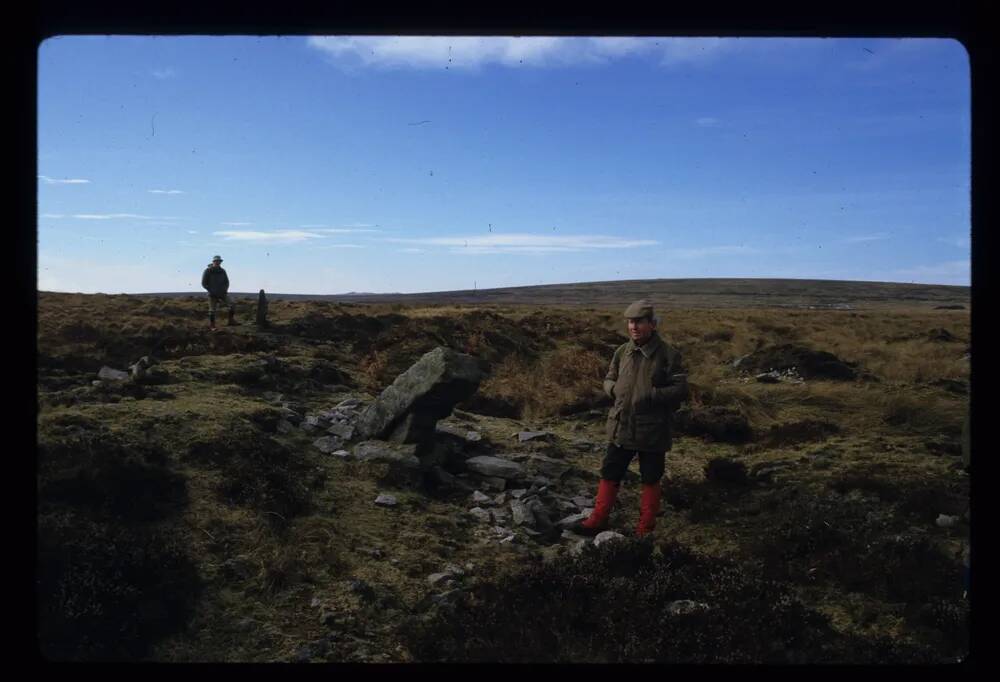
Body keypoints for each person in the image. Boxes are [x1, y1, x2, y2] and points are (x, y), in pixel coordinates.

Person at [571, 299, 689, 538]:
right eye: (630, 322)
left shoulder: (668, 355)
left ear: (652, 324)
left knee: (651, 476)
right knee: (610, 471)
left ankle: (644, 530)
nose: (633, 326)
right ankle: (598, 519)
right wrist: (612, 390)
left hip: (652, 429)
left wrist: (652, 395)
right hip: (622, 425)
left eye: (639, 322)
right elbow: (609, 377)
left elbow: (681, 389)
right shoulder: (622, 351)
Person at [201, 255, 236, 331]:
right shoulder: (208, 271)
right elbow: (203, 283)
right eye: (216, 261)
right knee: (212, 310)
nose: (217, 262)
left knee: (232, 305)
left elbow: (226, 282)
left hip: (222, 293)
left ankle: (231, 321)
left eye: (219, 261)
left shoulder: (222, 271)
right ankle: (212, 326)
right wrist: (210, 290)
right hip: (212, 294)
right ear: (213, 262)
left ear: (220, 262)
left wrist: (225, 290)